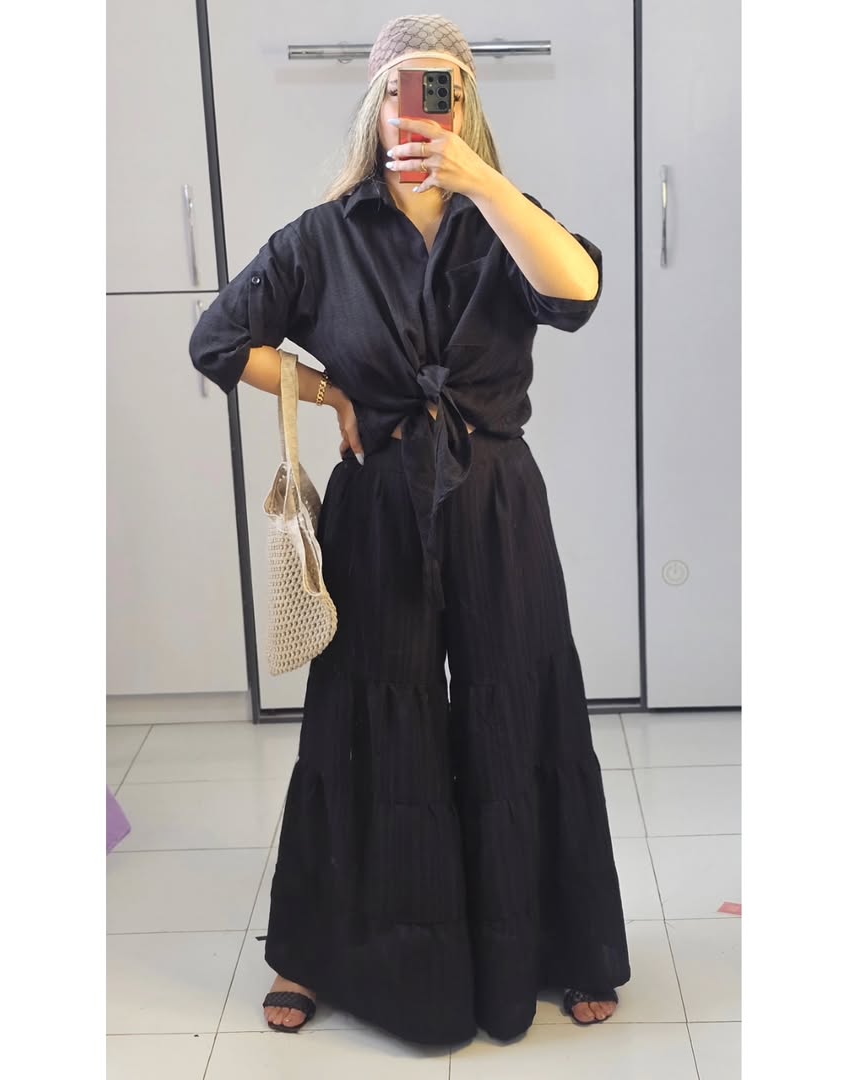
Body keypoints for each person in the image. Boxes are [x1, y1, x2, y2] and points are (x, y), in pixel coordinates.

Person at [190, 13, 630, 1045]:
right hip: (382, 499)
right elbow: (218, 339)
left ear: (468, 105)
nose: (421, 109)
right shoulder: (322, 235)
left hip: (496, 497)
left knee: (517, 704)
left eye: (444, 89)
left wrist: (485, 184)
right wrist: (326, 390)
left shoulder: (505, 220)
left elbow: (578, 291)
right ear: (375, 104)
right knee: (366, 714)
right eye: (404, 88)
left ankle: (556, 946)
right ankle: (318, 951)